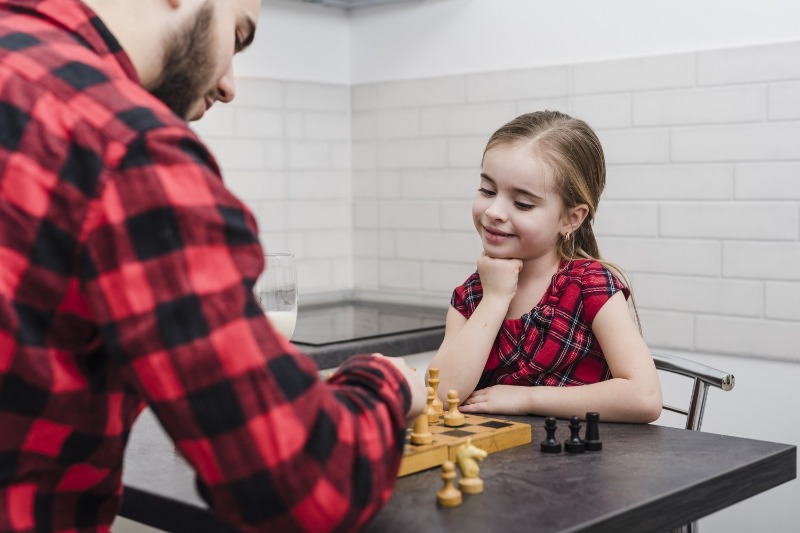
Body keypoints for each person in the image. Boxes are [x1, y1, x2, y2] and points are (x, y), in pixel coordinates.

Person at [0, 1, 426, 532]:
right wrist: (386, 382)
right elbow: (304, 486)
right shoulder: (127, 144)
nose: (228, 86)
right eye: (238, 34)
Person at [428, 111, 662, 423]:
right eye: (487, 190)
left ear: (571, 219)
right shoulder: (473, 294)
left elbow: (644, 398)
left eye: (523, 203)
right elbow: (441, 396)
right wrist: (495, 299)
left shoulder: (589, 285)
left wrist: (525, 398)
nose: (494, 211)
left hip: (577, 464)